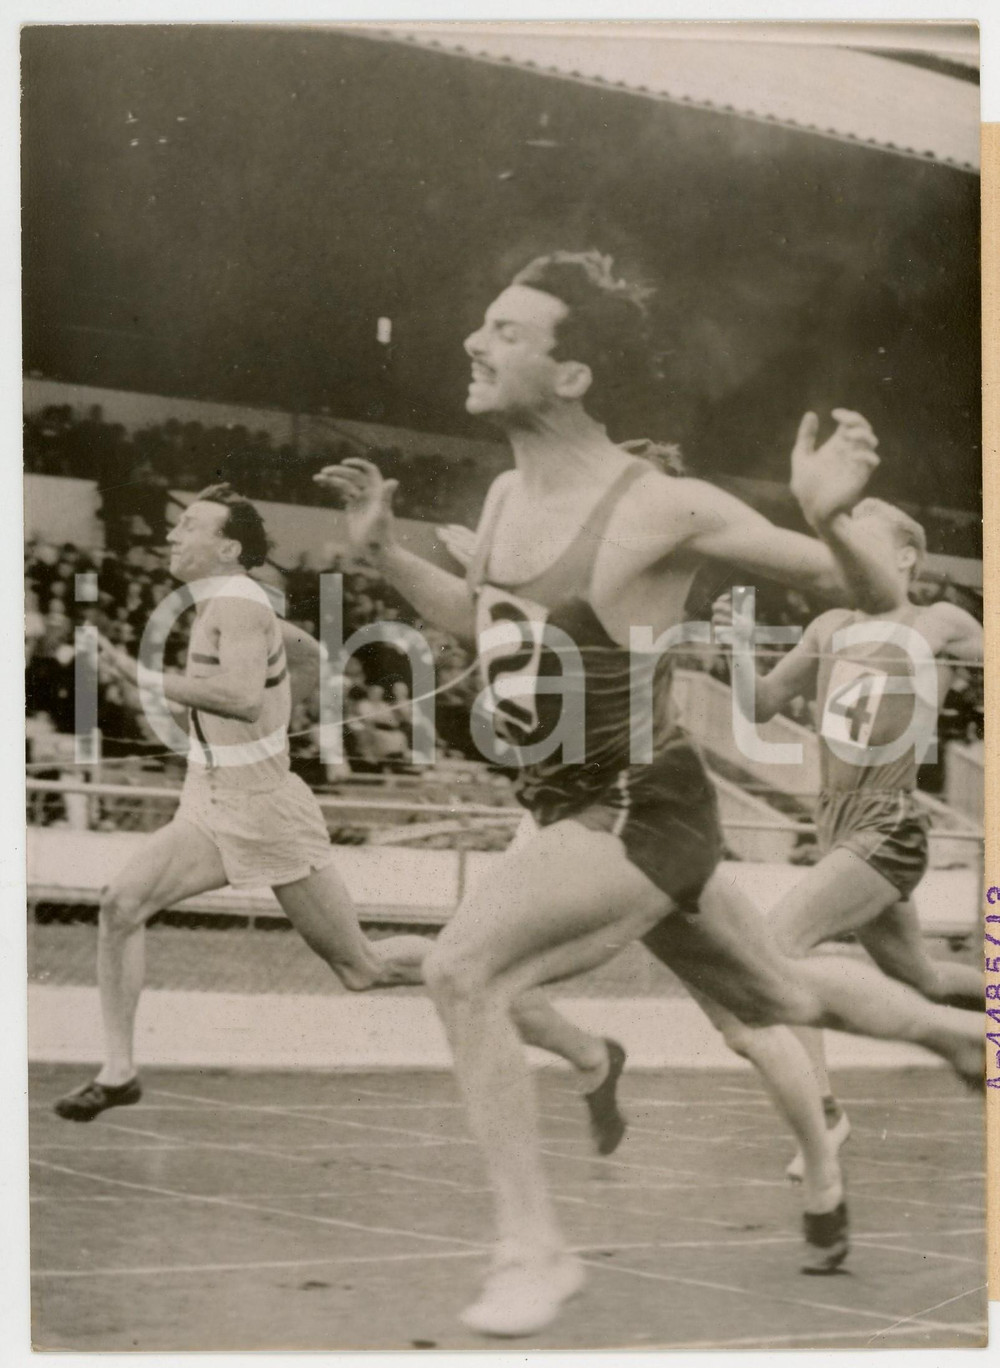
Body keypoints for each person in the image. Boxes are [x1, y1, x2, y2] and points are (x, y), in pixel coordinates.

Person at [316, 251, 982, 1337]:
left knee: (461, 968)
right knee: (783, 997)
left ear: (571, 373)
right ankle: (965, 1042)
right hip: (572, 808)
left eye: (505, 330)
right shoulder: (500, 493)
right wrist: (384, 552)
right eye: (481, 325)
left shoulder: (660, 506)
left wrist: (826, 518)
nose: (475, 343)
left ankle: (533, 1246)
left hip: (636, 807)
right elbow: (487, 627)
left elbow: (862, 597)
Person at [54, 484, 429, 1124]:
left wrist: (139, 673)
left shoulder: (238, 602)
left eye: (189, 526)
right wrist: (287, 714)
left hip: (263, 808)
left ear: (226, 547)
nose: (173, 535)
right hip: (210, 795)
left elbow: (239, 697)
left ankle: (479, 956)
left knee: (361, 968)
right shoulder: (227, 604)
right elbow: (309, 654)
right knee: (121, 905)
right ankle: (118, 1073)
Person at [707, 499, 983, 1190]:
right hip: (835, 821)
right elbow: (759, 705)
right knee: (919, 976)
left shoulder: (936, 621)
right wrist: (738, 648)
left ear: (906, 557)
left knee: (776, 949)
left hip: (889, 821)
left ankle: (824, 1112)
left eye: (863, 534)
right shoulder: (830, 627)